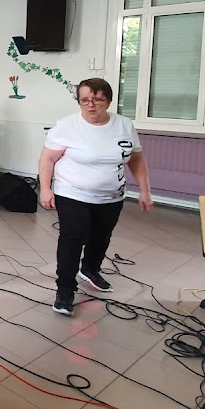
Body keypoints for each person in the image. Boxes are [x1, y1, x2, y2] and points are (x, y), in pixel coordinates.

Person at [39, 78, 153, 317]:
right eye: (85, 100)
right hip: (72, 192)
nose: (91, 105)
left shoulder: (124, 125)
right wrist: (46, 188)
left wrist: (145, 190)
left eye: (97, 100)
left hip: (111, 196)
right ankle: (65, 290)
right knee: (72, 238)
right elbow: (47, 159)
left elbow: (136, 159)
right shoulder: (67, 126)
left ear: (108, 101)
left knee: (101, 237)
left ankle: (90, 270)